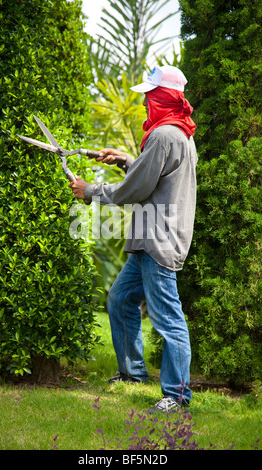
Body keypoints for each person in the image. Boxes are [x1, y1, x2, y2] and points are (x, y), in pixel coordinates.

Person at [69, 65, 197, 413]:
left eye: (148, 95)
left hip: (158, 240)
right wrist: (127, 160)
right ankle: (132, 374)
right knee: (121, 299)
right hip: (149, 239)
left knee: (168, 319)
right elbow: (153, 177)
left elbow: (137, 188)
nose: (144, 102)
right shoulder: (179, 134)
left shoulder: (164, 136)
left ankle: (177, 396)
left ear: (162, 97)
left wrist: (90, 191)